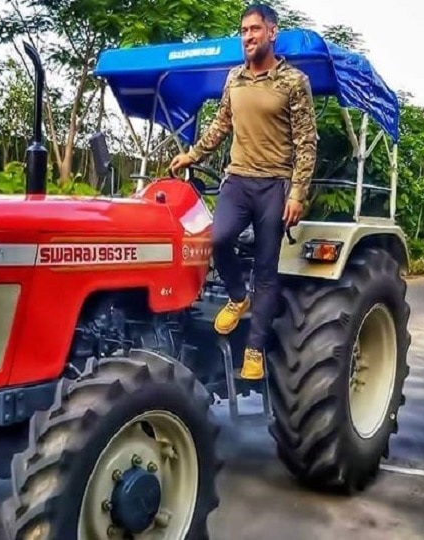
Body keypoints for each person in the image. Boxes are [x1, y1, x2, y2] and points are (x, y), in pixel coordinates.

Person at [170, 4, 317, 381]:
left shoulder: (293, 82)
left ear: (272, 32)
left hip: (274, 184)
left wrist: (297, 192)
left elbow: (306, 142)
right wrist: (192, 155)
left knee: (267, 271)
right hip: (237, 179)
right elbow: (220, 126)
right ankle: (238, 297)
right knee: (217, 239)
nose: (248, 36)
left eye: (254, 29)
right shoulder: (234, 79)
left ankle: (253, 351)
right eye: (243, 30)